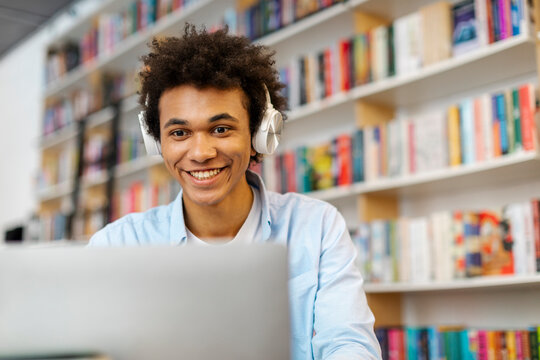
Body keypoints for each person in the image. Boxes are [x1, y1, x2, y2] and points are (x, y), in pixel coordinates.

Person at [89, 24, 381, 360]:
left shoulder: (315, 226)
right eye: (180, 132)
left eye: (221, 129)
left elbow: (350, 345)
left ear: (259, 134)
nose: (200, 152)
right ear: (158, 143)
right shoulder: (117, 247)